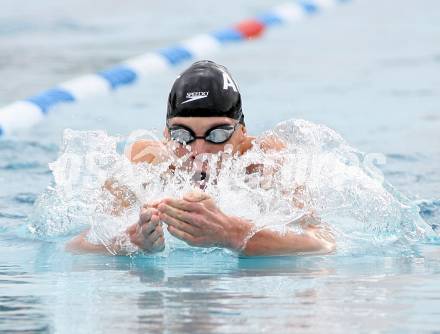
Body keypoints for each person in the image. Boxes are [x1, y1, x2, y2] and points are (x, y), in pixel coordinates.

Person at [66, 60, 335, 256]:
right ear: (166, 134)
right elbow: (77, 246)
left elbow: (322, 242)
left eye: (217, 134)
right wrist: (128, 241)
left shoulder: (267, 160)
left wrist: (232, 233)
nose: (199, 151)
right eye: (182, 136)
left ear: (242, 132)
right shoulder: (145, 161)